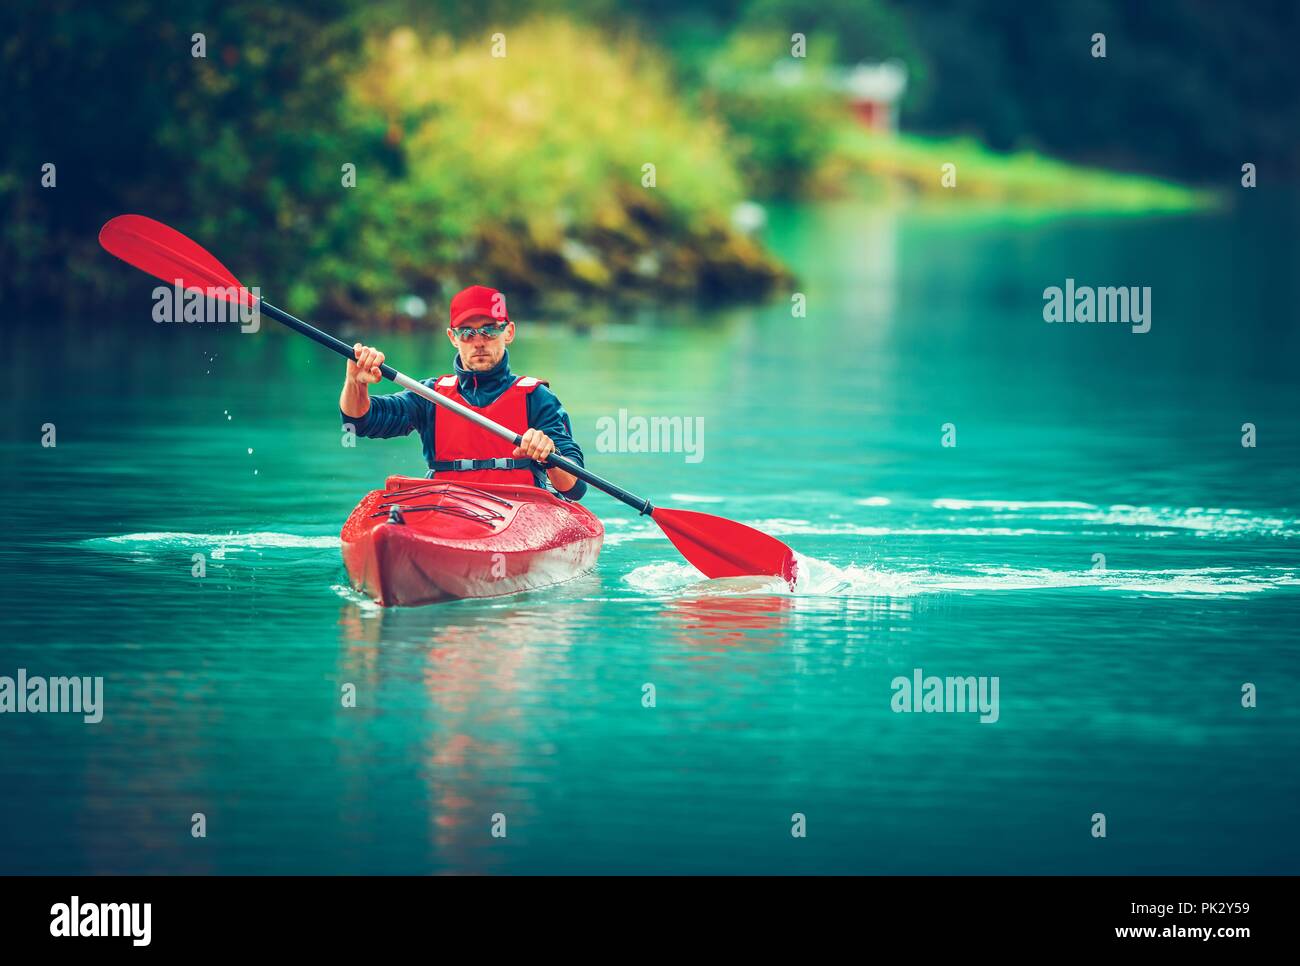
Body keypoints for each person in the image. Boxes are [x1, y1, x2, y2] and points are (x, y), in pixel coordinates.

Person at [339, 285, 586, 499]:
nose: (479, 341)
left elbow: (575, 488)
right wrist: (355, 383)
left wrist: (548, 455)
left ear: (508, 332)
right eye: (467, 332)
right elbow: (360, 422)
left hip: (523, 517)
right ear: (453, 338)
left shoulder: (536, 398)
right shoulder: (430, 396)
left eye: (489, 330)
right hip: (448, 514)